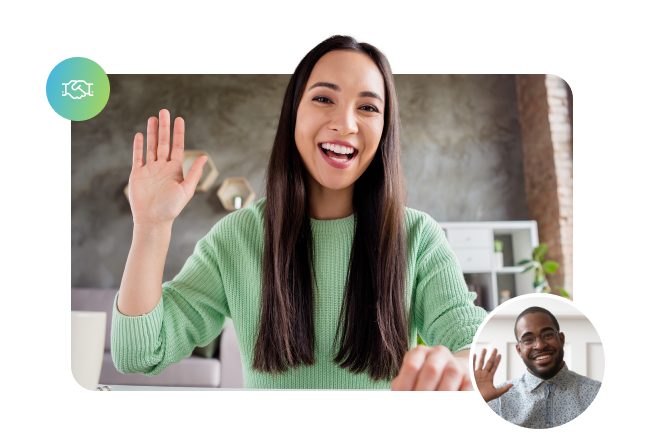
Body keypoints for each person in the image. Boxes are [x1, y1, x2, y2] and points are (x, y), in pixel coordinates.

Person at [111, 34, 487, 391]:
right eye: (325, 99)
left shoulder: (417, 236)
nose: (346, 123)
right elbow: (140, 354)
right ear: (293, 113)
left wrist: (461, 366)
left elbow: (472, 340)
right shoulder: (236, 238)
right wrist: (151, 226)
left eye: (368, 107)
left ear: (385, 128)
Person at [474, 306, 602, 429]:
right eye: (528, 339)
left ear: (561, 339)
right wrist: (474, 402)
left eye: (547, 335)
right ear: (519, 350)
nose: (540, 346)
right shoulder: (496, 400)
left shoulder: (597, 394)